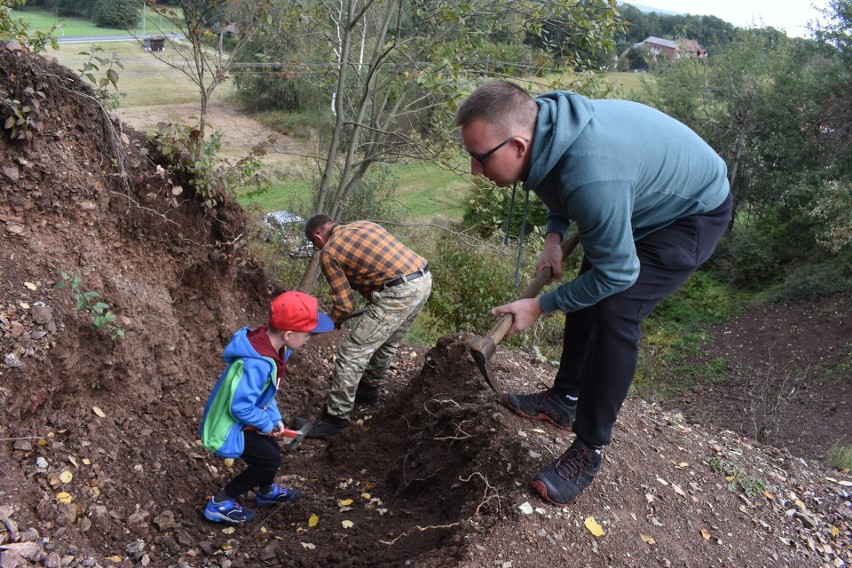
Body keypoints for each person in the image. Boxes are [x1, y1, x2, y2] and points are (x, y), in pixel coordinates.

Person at [455, 80, 732, 507]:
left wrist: (541, 304)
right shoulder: (544, 120)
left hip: (691, 212)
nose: (475, 169)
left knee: (615, 309)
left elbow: (617, 267)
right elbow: (554, 177)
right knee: (586, 291)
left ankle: (589, 449)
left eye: (479, 158)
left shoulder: (593, 176)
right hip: (635, 196)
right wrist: (553, 234)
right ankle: (564, 398)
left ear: (516, 145)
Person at [199, 291, 334, 523]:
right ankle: (220, 502)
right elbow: (240, 407)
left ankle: (266, 492)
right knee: (269, 460)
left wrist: (275, 418)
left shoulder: (275, 348)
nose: (309, 338)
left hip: (244, 418)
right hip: (228, 425)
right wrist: (265, 423)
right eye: (308, 334)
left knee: (270, 451)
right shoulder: (258, 364)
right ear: (289, 334)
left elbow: (265, 394)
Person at [303, 214, 432, 440]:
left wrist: (331, 323)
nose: (318, 248)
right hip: (423, 279)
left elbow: (344, 305)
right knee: (388, 342)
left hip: (399, 291)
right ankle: (368, 389)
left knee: (352, 351)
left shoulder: (329, 252)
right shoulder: (364, 224)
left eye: (316, 245)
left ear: (317, 236)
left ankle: (335, 419)